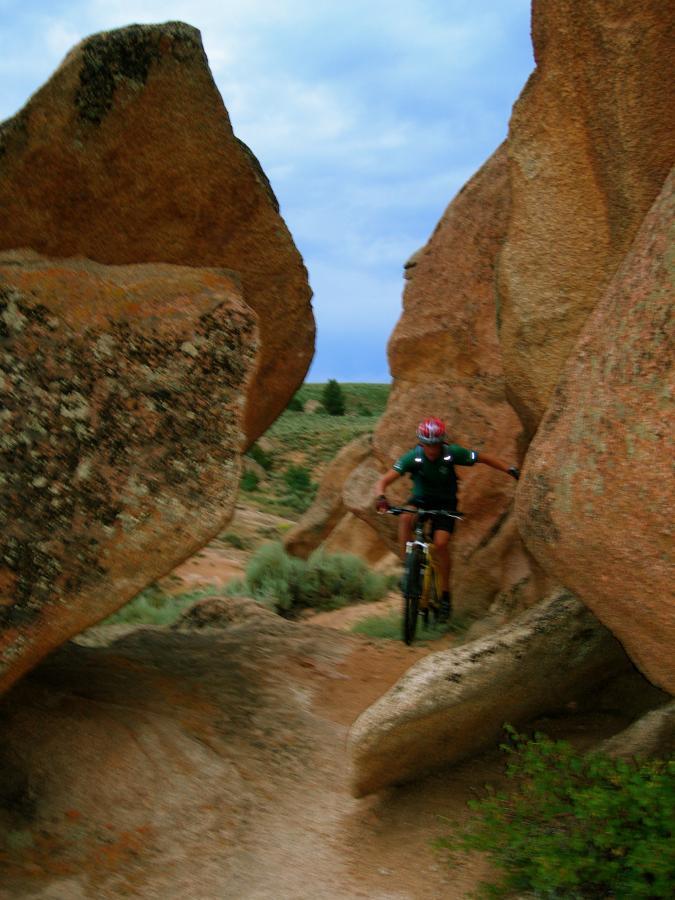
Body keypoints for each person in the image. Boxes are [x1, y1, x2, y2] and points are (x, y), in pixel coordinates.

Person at [374, 417, 519, 621]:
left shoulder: (452, 454)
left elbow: (483, 458)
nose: (431, 449)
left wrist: (510, 469)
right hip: (421, 500)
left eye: (435, 444)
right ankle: (409, 569)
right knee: (405, 518)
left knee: (441, 544)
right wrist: (381, 497)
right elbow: (385, 480)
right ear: (421, 442)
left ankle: (445, 596)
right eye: (427, 444)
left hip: (446, 504)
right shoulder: (413, 457)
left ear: (442, 441)